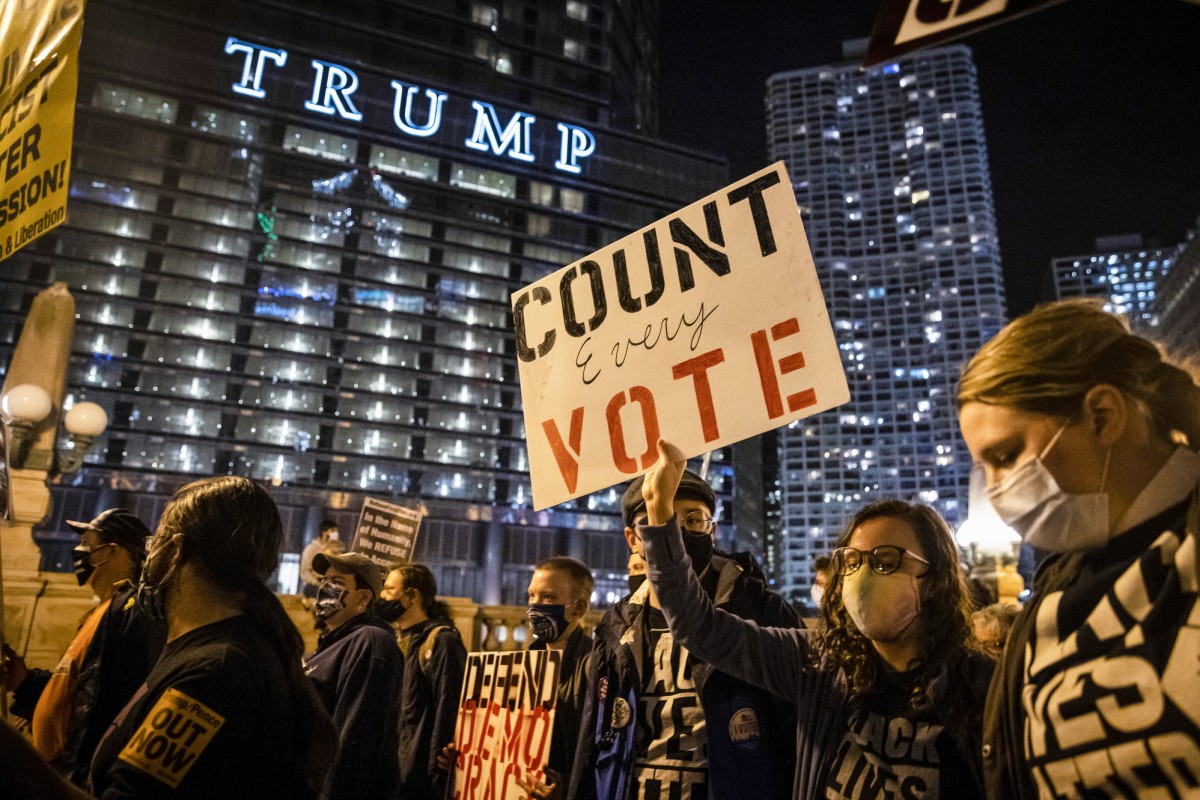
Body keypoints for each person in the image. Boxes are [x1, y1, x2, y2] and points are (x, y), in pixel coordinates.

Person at [638, 440, 993, 799]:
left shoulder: (983, 687)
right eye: (852, 561)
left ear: (933, 581)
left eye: (887, 561)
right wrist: (659, 515)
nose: (864, 576)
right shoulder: (818, 665)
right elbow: (699, 626)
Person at [955, 298, 1200, 798]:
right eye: (985, 469)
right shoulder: (1049, 600)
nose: (996, 490)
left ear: (1103, 416)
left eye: (1005, 456)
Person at [0, 476, 336, 799]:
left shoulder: (214, 674)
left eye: (154, 542)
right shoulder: (222, 651)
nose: (149, 556)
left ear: (175, 550)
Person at [569, 465, 801, 800]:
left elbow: (796, 728)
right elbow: (594, 736)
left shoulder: (762, 611)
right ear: (633, 539)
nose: (677, 533)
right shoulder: (616, 625)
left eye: (694, 520)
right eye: (660, 519)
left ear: (712, 531)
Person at [1, 509, 165, 786]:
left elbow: (104, 703)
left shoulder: (130, 614)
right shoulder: (99, 614)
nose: (79, 551)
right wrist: (26, 683)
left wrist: (76, 776)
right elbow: (78, 688)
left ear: (111, 552)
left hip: (70, 780)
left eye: (87, 544)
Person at [304, 551, 403, 800]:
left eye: (336, 582)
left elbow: (354, 742)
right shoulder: (329, 646)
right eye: (324, 581)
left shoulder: (370, 643)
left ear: (362, 598)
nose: (325, 588)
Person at [383, 563, 466, 800]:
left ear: (413, 596)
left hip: (419, 783)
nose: (382, 596)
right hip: (394, 776)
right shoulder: (393, 639)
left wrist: (436, 777)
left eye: (390, 589)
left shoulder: (441, 641)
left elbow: (448, 711)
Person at [299, 520, 344, 599]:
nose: (336, 534)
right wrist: (317, 583)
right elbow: (304, 572)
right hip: (314, 584)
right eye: (333, 531)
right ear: (324, 532)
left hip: (331, 584)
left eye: (336, 531)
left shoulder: (337, 549)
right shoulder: (311, 549)